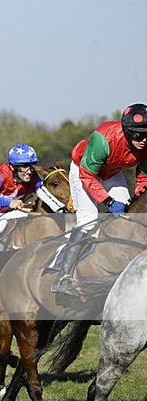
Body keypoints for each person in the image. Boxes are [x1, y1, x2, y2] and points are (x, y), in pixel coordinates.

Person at [53, 103, 147, 295]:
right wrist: (109, 202)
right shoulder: (103, 139)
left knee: (128, 219)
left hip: (112, 173)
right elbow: (87, 176)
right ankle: (63, 276)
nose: (144, 140)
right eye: (139, 135)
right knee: (88, 222)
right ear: (128, 132)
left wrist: (138, 198)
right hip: (84, 171)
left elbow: (143, 178)